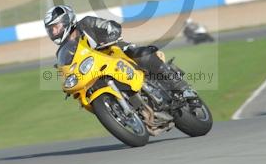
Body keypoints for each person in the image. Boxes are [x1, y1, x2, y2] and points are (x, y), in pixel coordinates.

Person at [44, 5, 192, 96]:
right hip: (97, 71)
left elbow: (109, 25)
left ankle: (181, 87)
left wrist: (111, 33)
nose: (54, 32)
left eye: (55, 27)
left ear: (66, 21)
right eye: (50, 30)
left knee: (141, 55)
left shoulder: (86, 23)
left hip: (115, 51)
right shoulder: (65, 50)